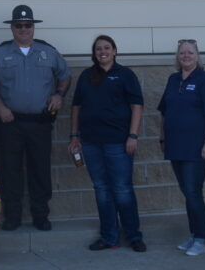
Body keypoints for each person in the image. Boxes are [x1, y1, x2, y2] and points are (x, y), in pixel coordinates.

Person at [0, 5, 70, 232]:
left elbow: (65, 75)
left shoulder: (48, 52)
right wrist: (0, 107)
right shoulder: (0, 53)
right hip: (11, 123)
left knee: (40, 170)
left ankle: (40, 215)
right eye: (19, 25)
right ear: (12, 28)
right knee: (10, 171)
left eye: (27, 25)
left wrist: (59, 95)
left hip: (40, 123)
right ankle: (12, 216)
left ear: (33, 27)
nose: (23, 29)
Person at [68, 35, 146, 252]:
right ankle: (109, 237)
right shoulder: (86, 76)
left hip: (118, 143)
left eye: (107, 48)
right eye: (98, 49)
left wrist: (133, 136)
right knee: (101, 189)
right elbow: (76, 106)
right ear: (94, 53)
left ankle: (133, 236)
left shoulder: (125, 75)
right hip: (91, 143)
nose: (103, 52)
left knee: (122, 190)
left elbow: (137, 106)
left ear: (114, 51)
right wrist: (74, 136)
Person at [158, 40, 205, 256]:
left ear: (197, 55)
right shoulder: (173, 79)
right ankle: (194, 235)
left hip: (196, 148)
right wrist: (162, 137)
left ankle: (201, 240)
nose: (186, 55)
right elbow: (165, 111)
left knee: (193, 192)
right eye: (182, 52)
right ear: (177, 56)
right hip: (175, 146)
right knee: (187, 193)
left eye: (190, 52)